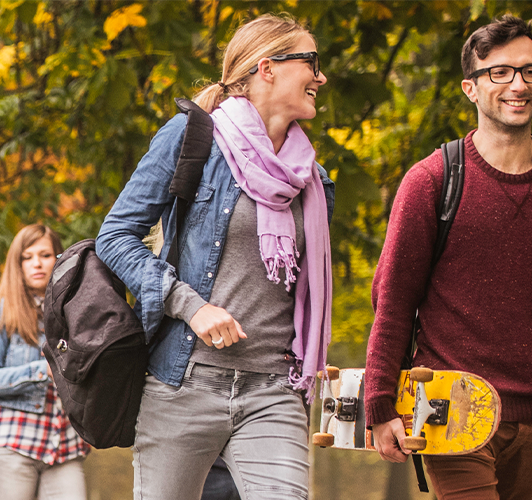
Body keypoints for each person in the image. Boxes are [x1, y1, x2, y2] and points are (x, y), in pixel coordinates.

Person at [93, 13, 333, 500]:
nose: (321, 77)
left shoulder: (312, 179)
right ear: (267, 67)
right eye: (311, 62)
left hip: (273, 390)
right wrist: (191, 305)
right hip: (185, 383)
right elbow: (115, 236)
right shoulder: (191, 139)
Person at [364, 15, 532, 500]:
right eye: (500, 72)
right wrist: (380, 403)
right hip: (449, 408)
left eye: (530, 71)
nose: (518, 84)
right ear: (471, 88)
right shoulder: (431, 181)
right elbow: (393, 303)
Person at [0, 223, 90, 500]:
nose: (36, 263)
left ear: (59, 259)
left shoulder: (74, 312)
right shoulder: (0, 311)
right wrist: (43, 370)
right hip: (13, 443)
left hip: (64, 447)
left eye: (45, 255)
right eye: (27, 257)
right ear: (18, 264)